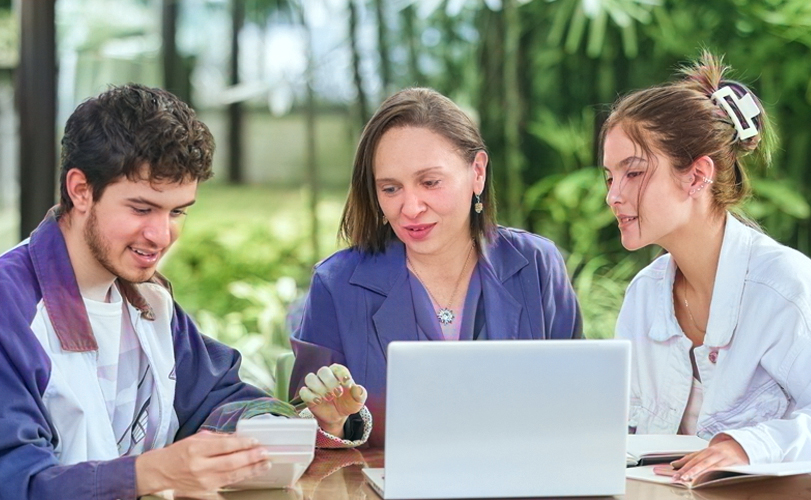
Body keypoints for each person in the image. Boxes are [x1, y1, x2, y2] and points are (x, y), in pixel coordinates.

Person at [0, 84, 371, 500]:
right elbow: (17, 482)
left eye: (177, 212)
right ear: (80, 190)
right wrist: (148, 473)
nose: (161, 236)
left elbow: (222, 399)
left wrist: (311, 423)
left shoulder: (150, 301)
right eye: (141, 208)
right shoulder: (9, 312)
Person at [291, 87, 583, 445]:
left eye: (430, 182)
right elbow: (304, 433)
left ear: (477, 172)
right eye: (391, 188)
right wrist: (330, 424)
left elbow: (578, 407)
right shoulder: (336, 284)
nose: (411, 207)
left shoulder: (537, 266)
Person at [602, 51, 811, 481]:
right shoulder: (643, 297)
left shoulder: (786, 288)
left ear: (698, 175)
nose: (613, 196)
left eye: (633, 172)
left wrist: (748, 444)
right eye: (610, 177)